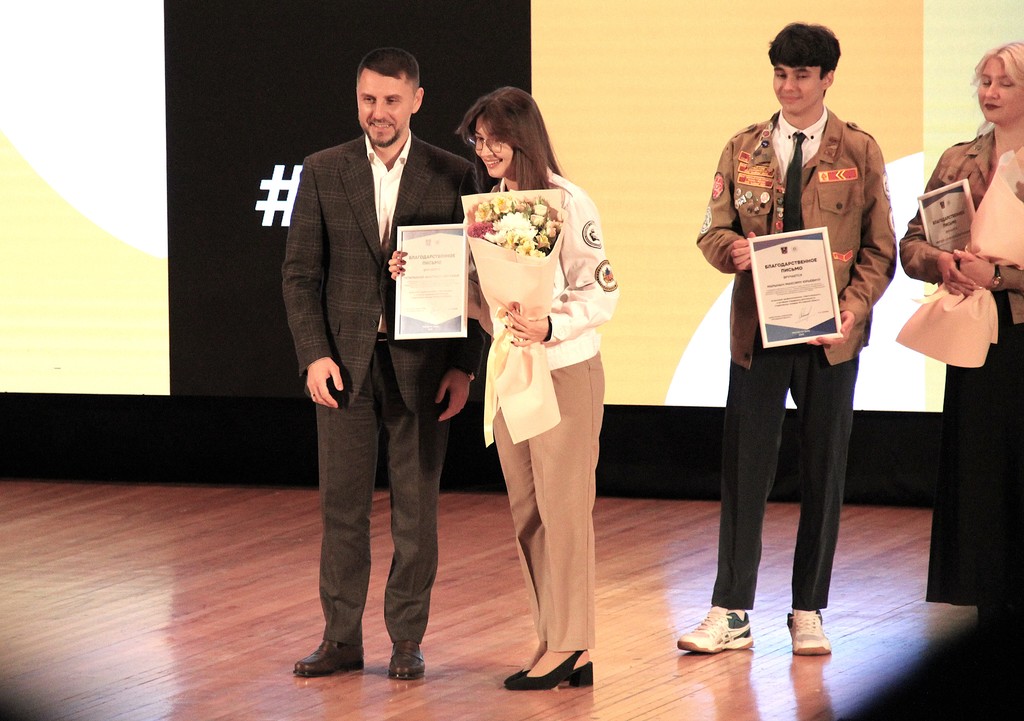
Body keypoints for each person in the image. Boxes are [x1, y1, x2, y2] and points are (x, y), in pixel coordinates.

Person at [679, 23, 895, 656]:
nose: (789, 86)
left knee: (825, 470)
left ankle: (808, 610)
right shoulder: (743, 147)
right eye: (780, 73)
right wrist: (732, 251)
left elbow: (880, 249)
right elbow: (711, 230)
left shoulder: (860, 150)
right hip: (759, 336)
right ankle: (731, 610)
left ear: (828, 79)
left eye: (802, 75)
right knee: (744, 469)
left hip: (831, 339)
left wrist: (853, 308)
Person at [282, 47, 484, 680]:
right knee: (342, 511)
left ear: (416, 101)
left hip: (423, 368)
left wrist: (465, 367)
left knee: (415, 514)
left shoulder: (455, 174)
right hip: (344, 367)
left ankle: (406, 641)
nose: (379, 112)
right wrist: (314, 354)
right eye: (369, 99)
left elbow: (480, 277)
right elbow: (300, 274)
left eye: (392, 100)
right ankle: (341, 639)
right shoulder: (323, 169)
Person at [446, 87, 618, 689]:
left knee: (564, 510)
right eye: (479, 140)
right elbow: (488, 305)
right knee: (529, 511)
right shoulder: (488, 207)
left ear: (524, 138)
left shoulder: (568, 202)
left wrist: (551, 325)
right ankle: (559, 639)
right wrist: (425, 276)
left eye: (496, 138)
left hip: (564, 369)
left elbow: (601, 292)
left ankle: (568, 642)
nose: (486, 150)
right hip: (510, 369)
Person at [900, 42, 1024, 626]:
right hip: (975, 337)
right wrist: (942, 262)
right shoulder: (958, 160)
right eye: (985, 81)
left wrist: (999, 276)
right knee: (979, 473)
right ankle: (986, 605)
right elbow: (912, 244)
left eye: (1005, 83)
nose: (990, 92)